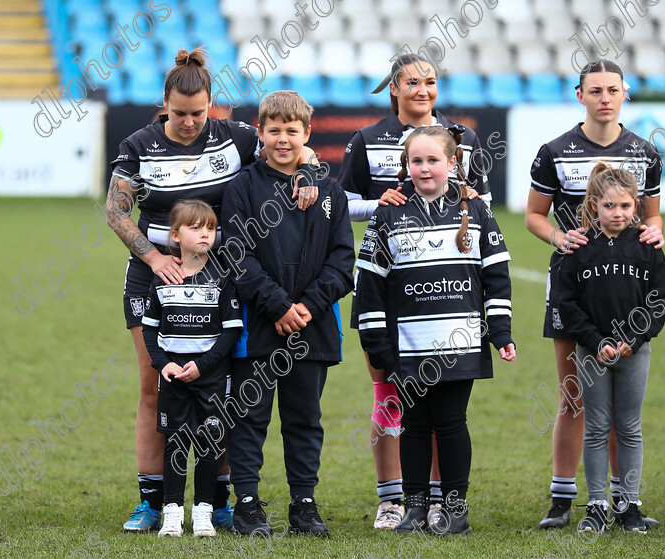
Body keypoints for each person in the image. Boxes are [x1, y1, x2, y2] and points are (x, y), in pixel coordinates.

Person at [106, 46, 317, 532]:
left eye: (198, 113)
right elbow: (115, 210)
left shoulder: (235, 136)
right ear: (164, 104)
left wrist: (307, 170)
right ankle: (152, 500)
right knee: (156, 387)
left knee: (217, 389)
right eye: (179, 114)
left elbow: (290, 146)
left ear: (212, 104)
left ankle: (216, 499)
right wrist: (155, 256)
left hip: (221, 279)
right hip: (154, 278)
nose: (189, 122)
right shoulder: (139, 145)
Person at [338, 52, 492, 529]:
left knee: (443, 403)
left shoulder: (462, 139)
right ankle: (393, 498)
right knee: (391, 392)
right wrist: (375, 203)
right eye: (411, 82)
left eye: (430, 82)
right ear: (394, 89)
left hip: (446, 290)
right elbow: (341, 205)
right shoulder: (367, 139)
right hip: (387, 285)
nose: (421, 90)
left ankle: (441, 501)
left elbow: (481, 202)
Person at [524, 59, 664, 530]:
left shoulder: (645, 152)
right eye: (595, 90)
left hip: (625, 290)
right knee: (575, 398)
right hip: (573, 290)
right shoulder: (554, 151)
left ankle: (620, 502)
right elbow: (534, 217)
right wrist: (560, 238)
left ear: (625, 94)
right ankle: (564, 498)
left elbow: (655, 218)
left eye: (613, 89)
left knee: (619, 408)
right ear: (579, 95)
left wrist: (654, 235)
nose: (605, 97)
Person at [356, 125, 515, 536]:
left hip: (459, 344)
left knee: (450, 423)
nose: (424, 169)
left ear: (452, 163)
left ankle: (455, 509)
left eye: (433, 160)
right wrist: (376, 342)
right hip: (408, 346)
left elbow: (496, 275)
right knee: (412, 425)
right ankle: (414, 508)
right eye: (416, 161)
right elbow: (369, 281)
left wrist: (500, 332)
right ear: (405, 166)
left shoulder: (477, 210)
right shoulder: (388, 214)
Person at [220, 90, 354, 537]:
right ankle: (248, 504)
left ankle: (304, 504)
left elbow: (342, 261)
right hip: (256, 323)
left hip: (312, 326)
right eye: (273, 130)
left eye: (291, 131)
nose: (282, 139)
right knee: (250, 415)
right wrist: (277, 304)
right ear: (259, 132)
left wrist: (306, 306)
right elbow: (237, 254)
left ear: (307, 134)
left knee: (304, 417)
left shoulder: (328, 190)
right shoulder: (241, 187)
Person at [558, 163, 665, 533]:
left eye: (625, 206)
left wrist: (633, 340)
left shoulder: (647, 245)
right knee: (595, 427)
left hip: (634, 352)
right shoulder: (578, 247)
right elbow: (567, 303)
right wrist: (596, 342)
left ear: (636, 204)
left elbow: (660, 299)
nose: (617, 213)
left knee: (629, 427)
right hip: (592, 353)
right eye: (609, 206)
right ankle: (596, 505)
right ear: (594, 206)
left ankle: (629, 505)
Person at [141, 199, 243, 537]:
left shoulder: (222, 279)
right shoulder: (163, 280)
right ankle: (172, 512)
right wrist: (164, 364)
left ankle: (203, 512)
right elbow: (150, 331)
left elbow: (230, 332)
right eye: (195, 228)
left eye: (210, 229)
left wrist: (202, 366)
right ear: (175, 235)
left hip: (210, 378)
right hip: (173, 378)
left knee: (210, 442)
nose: (204, 235)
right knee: (176, 443)